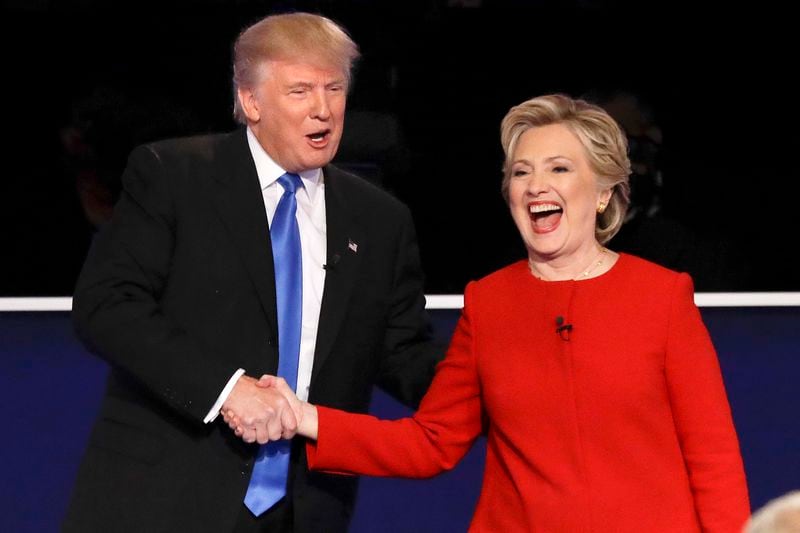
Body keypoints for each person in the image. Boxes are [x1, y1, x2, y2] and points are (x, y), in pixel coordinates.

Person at [235, 94, 751, 531]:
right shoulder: (490, 302)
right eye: (520, 172)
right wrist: (304, 417)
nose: (534, 185)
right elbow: (430, 441)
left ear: (603, 194)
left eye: (559, 168)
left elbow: (713, 461)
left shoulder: (661, 297)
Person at [63, 12, 443, 533]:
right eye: (300, 90)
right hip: (164, 499)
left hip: (302, 510)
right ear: (251, 100)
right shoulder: (174, 176)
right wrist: (227, 390)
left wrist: (506, 392)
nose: (324, 110)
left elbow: (402, 352)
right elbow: (107, 306)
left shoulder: (379, 219)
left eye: (335, 88)